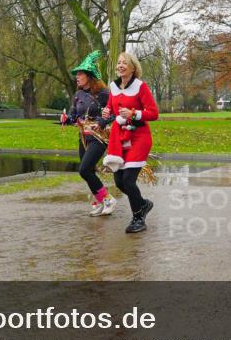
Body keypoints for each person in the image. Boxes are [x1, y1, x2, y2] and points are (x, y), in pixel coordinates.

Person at [101, 52, 159, 234]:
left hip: (139, 137)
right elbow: (111, 108)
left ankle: (138, 218)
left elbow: (154, 113)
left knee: (128, 179)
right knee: (119, 181)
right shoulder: (113, 87)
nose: (120, 65)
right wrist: (106, 113)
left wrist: (134, 114)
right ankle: (143, 204)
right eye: (119, 63)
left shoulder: (140, 86)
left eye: (124, 63)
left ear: (133, 68)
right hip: (120, 138)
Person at [63, 50, 117, 217]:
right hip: (83, 138)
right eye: (77, 74)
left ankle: (108, 199)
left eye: (80, 74)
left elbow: (116, 113)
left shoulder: (104, 94)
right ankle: (101, 201)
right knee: (89, 172)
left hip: (99, 137)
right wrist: (66, 119)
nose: (77, 77)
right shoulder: (78, 94)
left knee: (84, 170)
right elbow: (73, 115)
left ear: (89, 75)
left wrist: (102, 121)